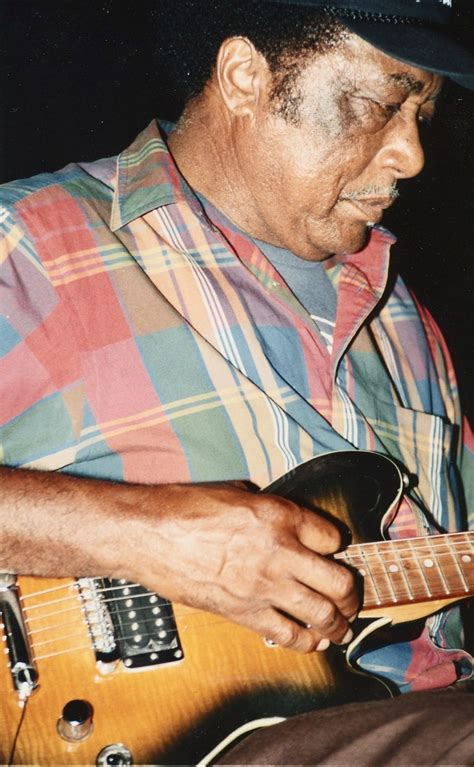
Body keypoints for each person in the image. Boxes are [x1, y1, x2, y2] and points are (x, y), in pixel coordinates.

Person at [0, 0, 473, 763]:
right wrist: (141, 534)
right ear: (245, 76)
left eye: (423, 111)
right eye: (381, 104)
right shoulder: (27, 243)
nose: (411, 154)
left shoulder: (407, 326)